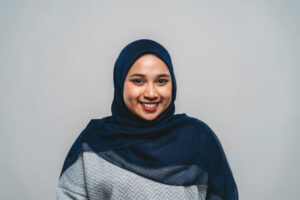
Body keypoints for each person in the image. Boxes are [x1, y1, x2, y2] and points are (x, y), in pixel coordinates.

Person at [56, 39, 238, 200]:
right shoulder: (92, 144)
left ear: (172, 84)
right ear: (120, 83)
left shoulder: (198, 139)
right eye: (138, 81)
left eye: (161, 81)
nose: (151, 93)